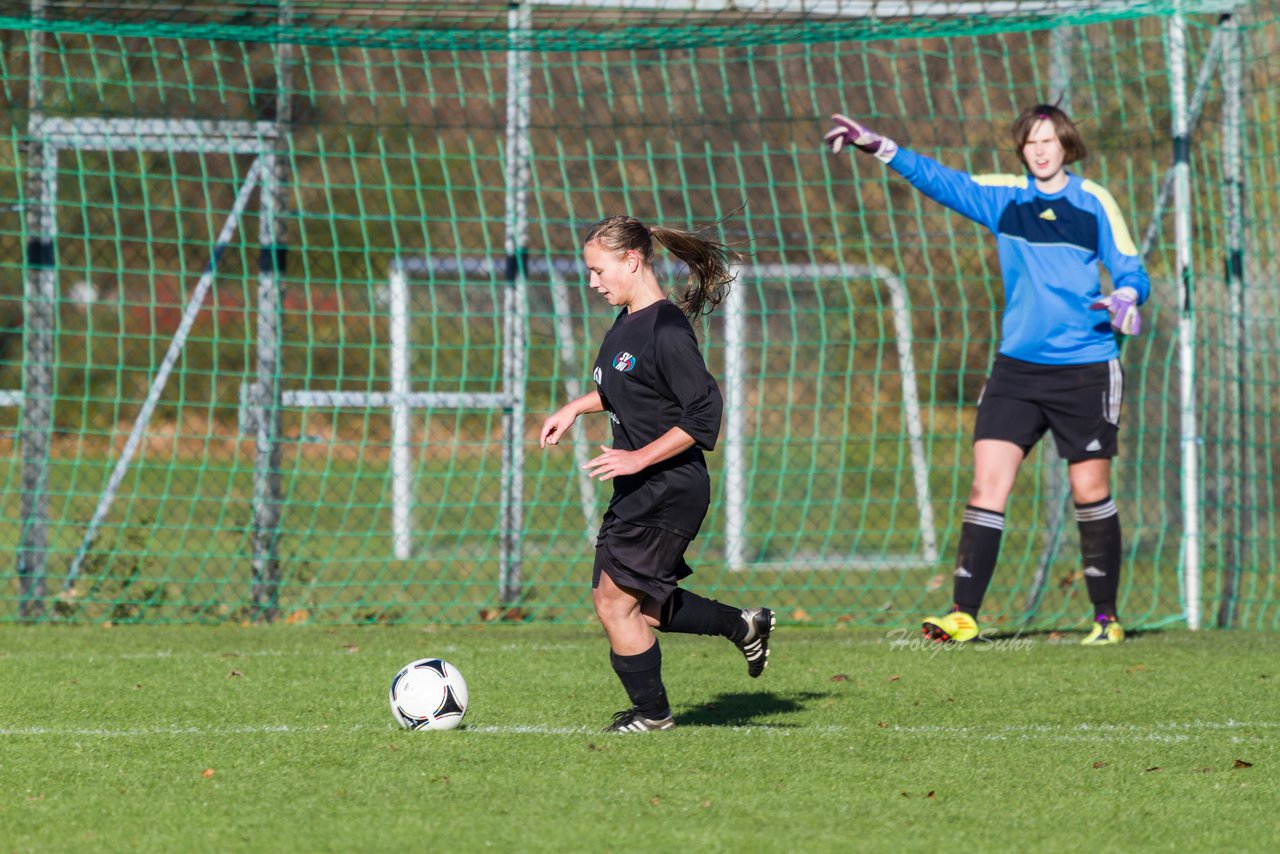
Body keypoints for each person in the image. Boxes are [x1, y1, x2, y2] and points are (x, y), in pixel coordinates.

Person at [824, 104, 1149, 645]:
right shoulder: (1004, 197)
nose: (1041, 150)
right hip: (1016, 371)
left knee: (1088, 488)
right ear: (1021, 150)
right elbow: (943, 181)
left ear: (1067, 145)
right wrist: (882, 147)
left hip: (1086, 369)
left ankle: (1105, 618)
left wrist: (1127, 295)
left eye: (1050, 140)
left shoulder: (1094, 201)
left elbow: (1131, 267)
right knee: (986, 483)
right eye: (1030, 142)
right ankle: (964, 614)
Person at [540, 215, 774, 733]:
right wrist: (576, 407)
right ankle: (743, 624)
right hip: (644, 485)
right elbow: (629, 386)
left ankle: (652, 715)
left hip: (667, 487)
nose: (593, 282)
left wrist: (639, 458)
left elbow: (702, 414)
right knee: (639, 609)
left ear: (631, 260)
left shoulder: (667, 328)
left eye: (599, 270)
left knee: (612, 602)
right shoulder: (628, 321)